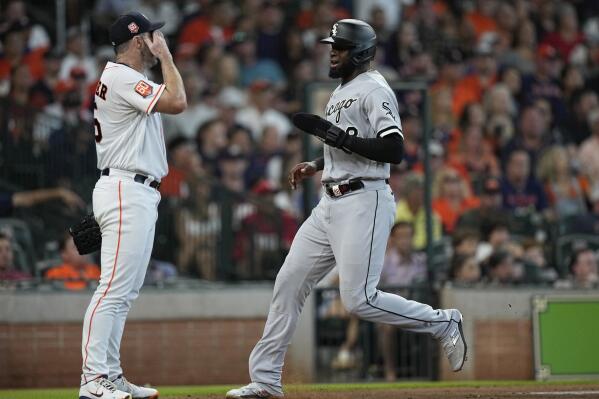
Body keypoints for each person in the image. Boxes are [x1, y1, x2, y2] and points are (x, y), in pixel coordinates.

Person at [226, 19, 466, 399]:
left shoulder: (375, 89)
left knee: (360, 299)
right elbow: (350, 145)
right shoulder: (341, 92)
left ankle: (442, 322)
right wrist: (318, 164)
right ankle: (266, 379)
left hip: (364, 200)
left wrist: (336, 138)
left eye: (338, 47)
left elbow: (394, 149)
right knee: (289, 283)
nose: (332, 52)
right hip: (330, 202)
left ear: (360, 52)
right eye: (331, 46)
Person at [78, 11, 186, 399]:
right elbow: (178, 101)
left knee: (123, 292)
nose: (159, 40)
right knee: (112, 290)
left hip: (131, 188)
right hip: (126, 188)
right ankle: (93, 379)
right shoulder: (122, 76)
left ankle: (109, 374)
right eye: (154, 35)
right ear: (139, 41)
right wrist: (169, 60)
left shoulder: (127, 78)